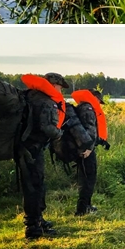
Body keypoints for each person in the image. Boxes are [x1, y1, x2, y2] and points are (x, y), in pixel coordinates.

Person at [17, 73, 66, 239]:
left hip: (23, 147)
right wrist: (60, 133)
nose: (61, 90)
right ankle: (33, 229)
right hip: (33, 149)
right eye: (60, 86)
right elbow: (47, 128)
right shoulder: (47, 101)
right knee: (35, 187)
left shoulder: (29, 95)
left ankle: (38, 220)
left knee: (32, 185)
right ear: (53, 84)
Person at [71, 89, 105, 216]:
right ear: (94, 97)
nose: (99, 103)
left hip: (82, 148)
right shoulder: (88, 109)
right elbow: (90, 130)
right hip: (86, 150)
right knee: (88, 178)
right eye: (98, 100)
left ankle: (87, 205)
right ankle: (82, 209)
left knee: (85, 178)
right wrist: (89, 148)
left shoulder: (81, 107)